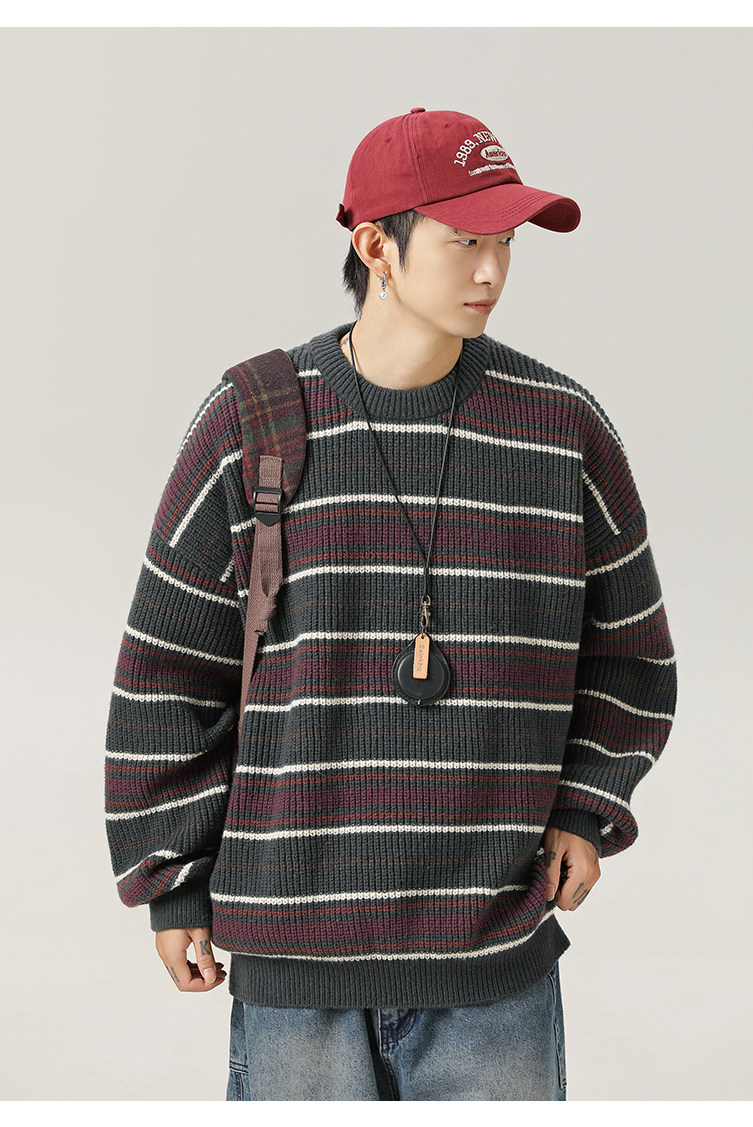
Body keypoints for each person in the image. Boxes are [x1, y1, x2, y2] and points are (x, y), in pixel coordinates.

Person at [105, 107, 677, 1101]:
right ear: (375, 246)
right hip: (294, 960)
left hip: (493, 956)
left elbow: (631, 653)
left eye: (506, 242)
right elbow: (166, 667)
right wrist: (171, 880)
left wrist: (586, 807)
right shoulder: (253, 422)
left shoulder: (562, 430)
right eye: (464, 241)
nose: (492, 271)